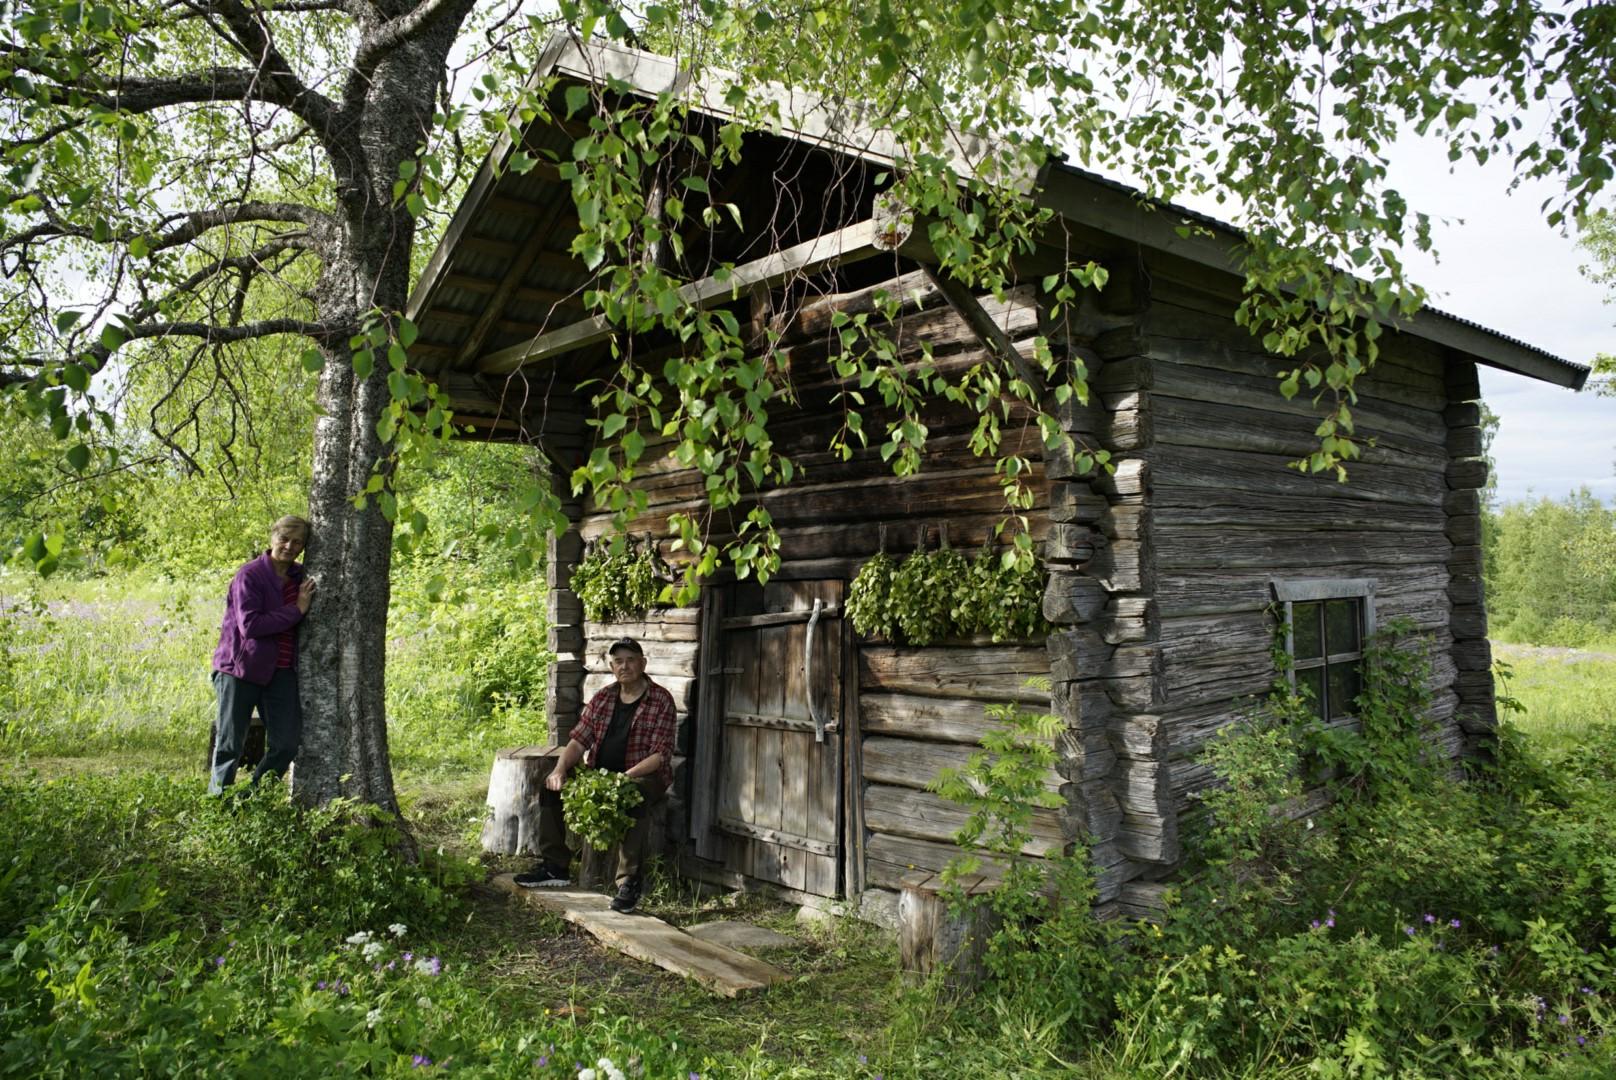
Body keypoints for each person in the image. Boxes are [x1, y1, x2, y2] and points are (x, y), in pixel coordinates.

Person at [515, 637, 675, 913]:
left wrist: (623, 778)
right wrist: (560, 769)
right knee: (550, 787)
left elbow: (660, 755)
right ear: (612, 667)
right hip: (600, 775)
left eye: (631, 659)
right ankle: (555, 867)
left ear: (643, 663)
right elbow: (578, 741)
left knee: (633, 797)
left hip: (642, 775)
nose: (625, 666)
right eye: (618, 661)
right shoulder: (603, 698)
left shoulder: (660, 699)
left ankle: (628, 882)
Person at [208, 515, 316, 794]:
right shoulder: (250, 575)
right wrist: (296, 610)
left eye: (297, 542)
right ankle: (218, 808)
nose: (289, 546)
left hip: (280, 672)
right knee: (230, 745)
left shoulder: (300, 577)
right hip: (239, 669)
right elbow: (251, 626)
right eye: (284, 538)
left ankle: (250, 800)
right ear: (272, 538)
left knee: (287, 744)